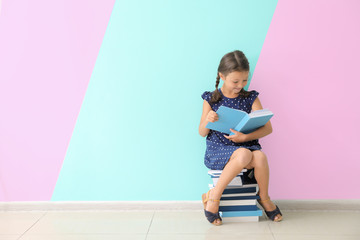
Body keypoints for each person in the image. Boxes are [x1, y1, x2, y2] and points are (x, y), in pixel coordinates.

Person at [199, 50, 283, 226]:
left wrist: (245, 137)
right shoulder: (211, 99)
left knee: (259, 156)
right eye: (235, 81)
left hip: (245, 145)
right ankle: (215, 197)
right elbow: (201, 132)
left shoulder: (250, 97)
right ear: (222, 76)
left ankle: (264, 197)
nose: (240, 85)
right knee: (244, 154)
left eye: (244, 80)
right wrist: (208, 120)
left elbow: (268, 128)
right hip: (219, 148)